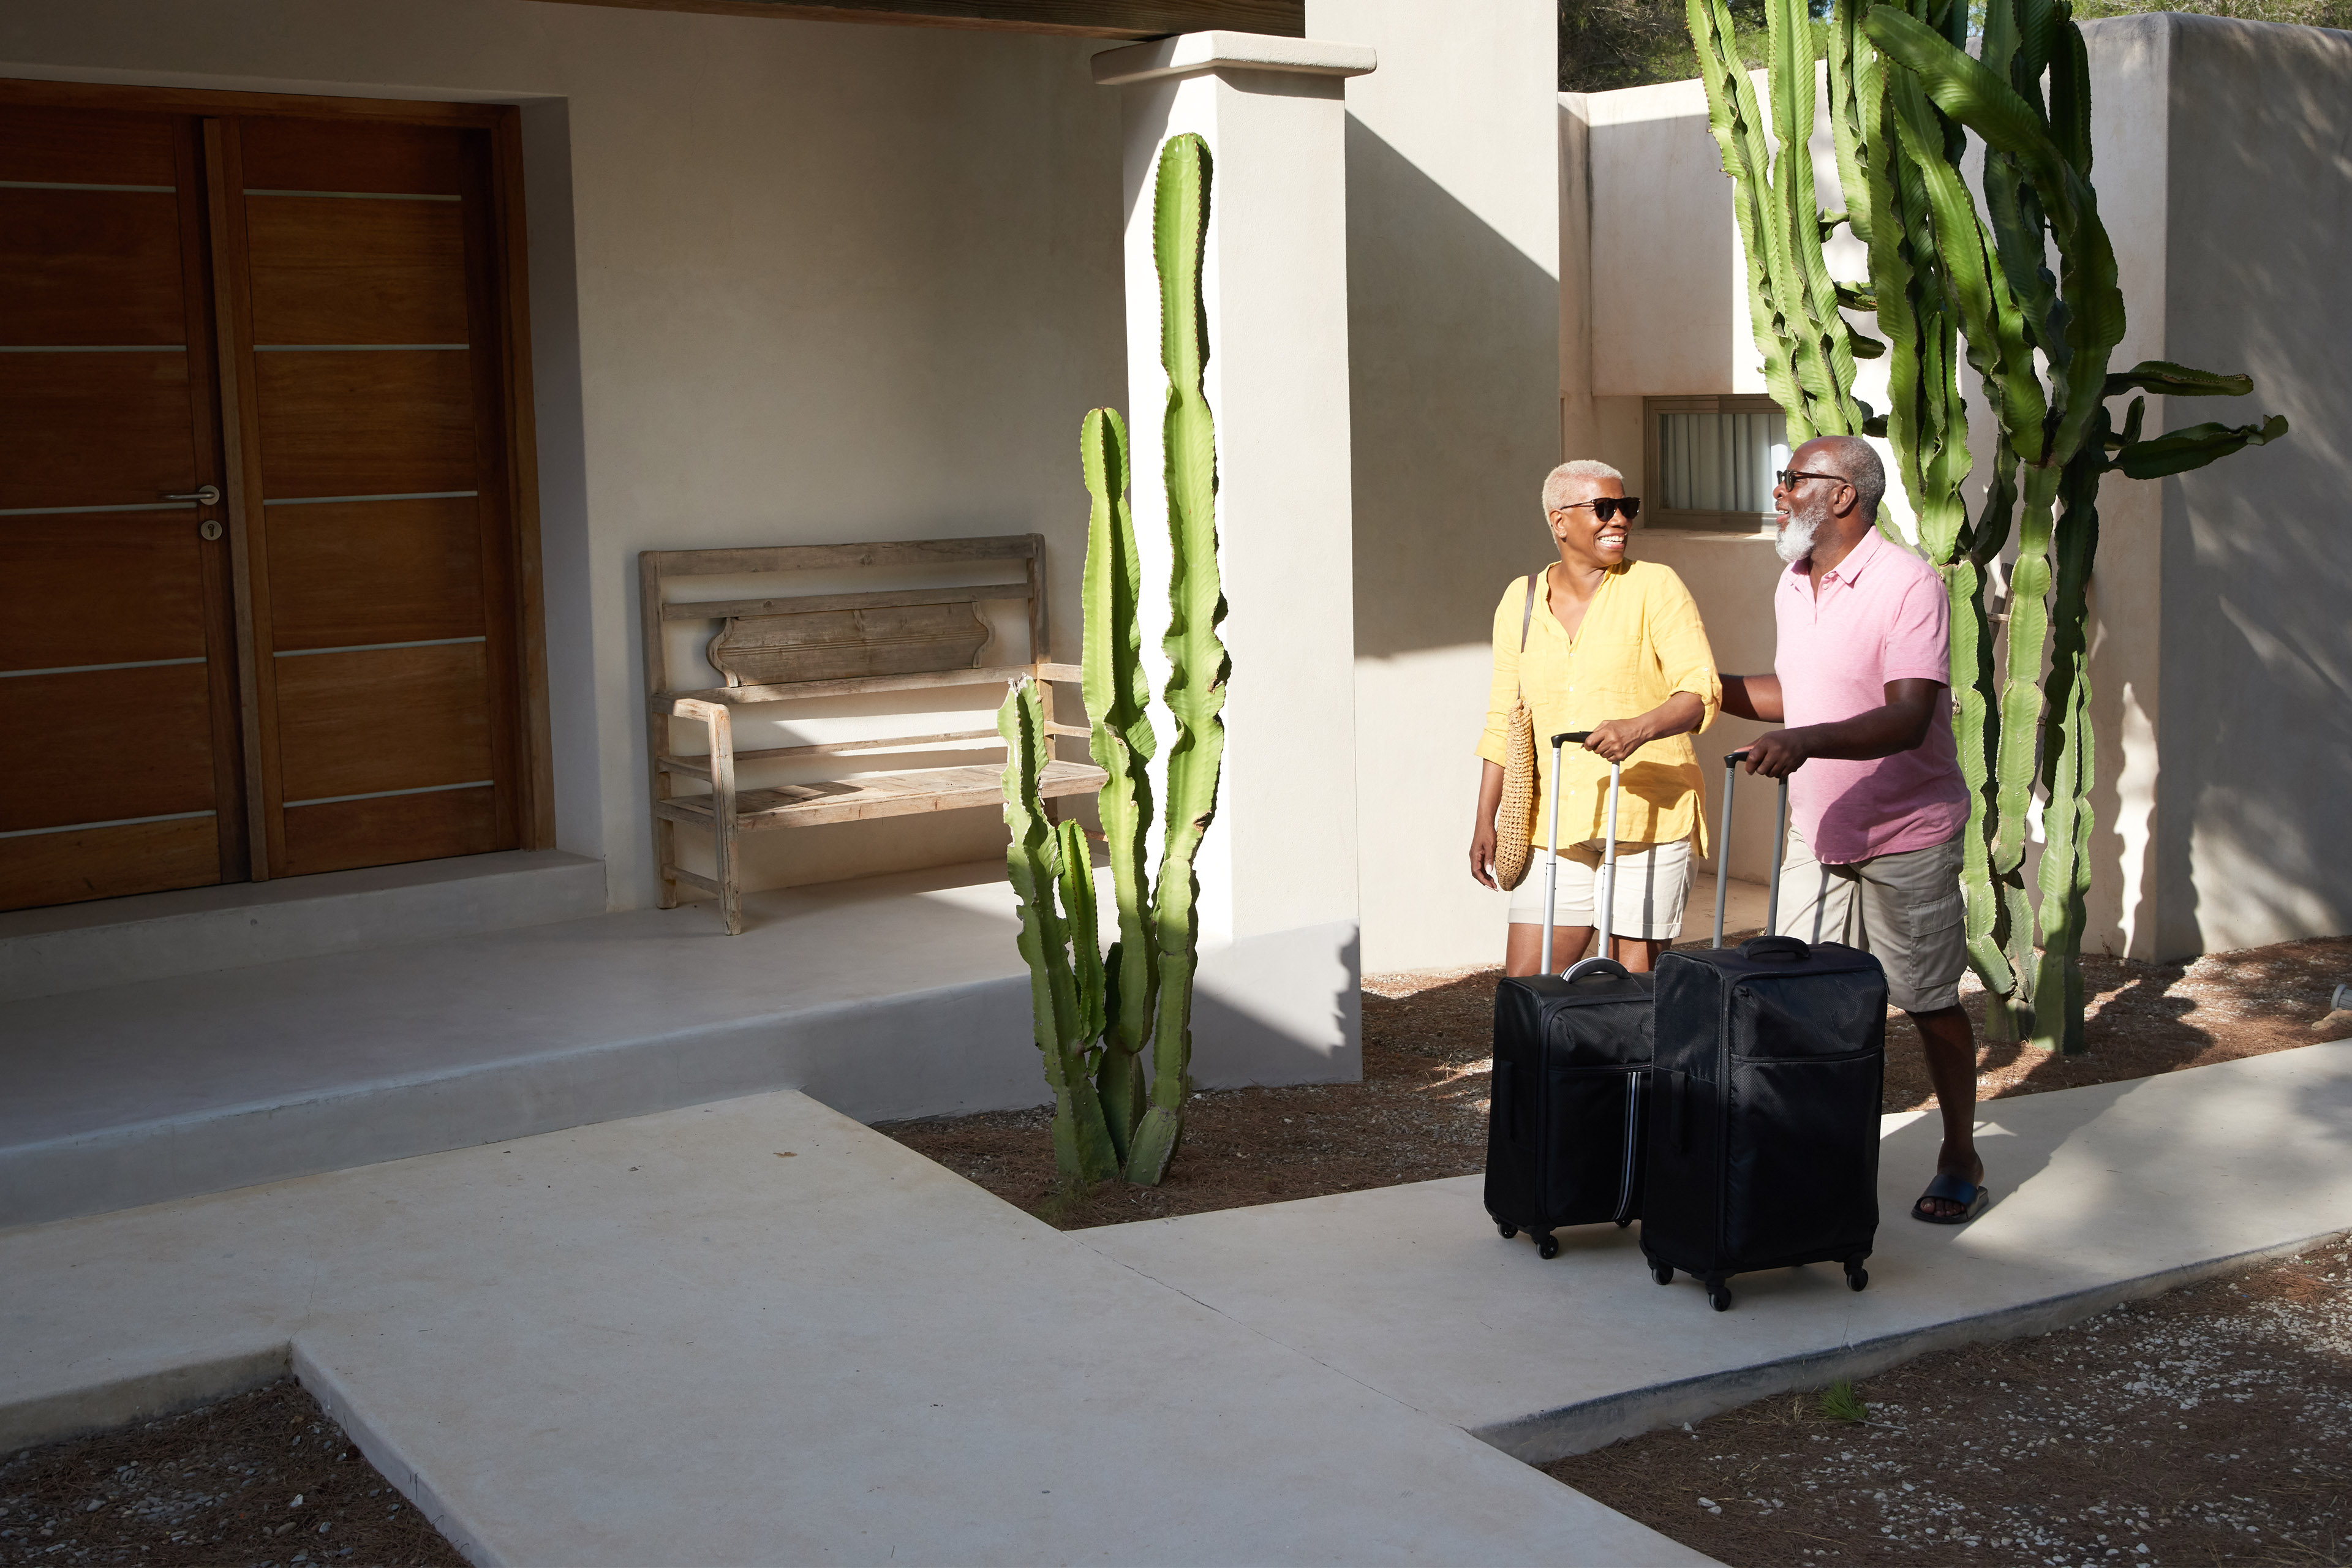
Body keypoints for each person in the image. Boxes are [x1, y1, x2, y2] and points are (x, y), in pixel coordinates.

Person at [1718, 435, 1989, 1224]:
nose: (1779, 492)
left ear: (1841, 495)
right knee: (1799, 996)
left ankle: (1960, 1153)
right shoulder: (1793, 582)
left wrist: (1803, 742)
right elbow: (1794, 694)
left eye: (1792, 479)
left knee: (1926, 999)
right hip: (1820, 826)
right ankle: (1810, 1150)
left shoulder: (1908, 586)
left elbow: (1908, 716)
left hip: (1908, 828)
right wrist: (1703, 687)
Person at [1470, 460, 1721, 975]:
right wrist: (1485, 818)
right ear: (1559, 521)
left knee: (1630, 989)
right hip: (1553, 822)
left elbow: (1700, 691)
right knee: (1526, 988)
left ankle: (1628, 1062)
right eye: (1603, 509)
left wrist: (1638, 728)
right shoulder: (1519, 601)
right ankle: (1538, 1062)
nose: (1621, 521)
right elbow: (1503, 718)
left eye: (1626, 508)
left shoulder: (1656, 586)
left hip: (1648, 814)